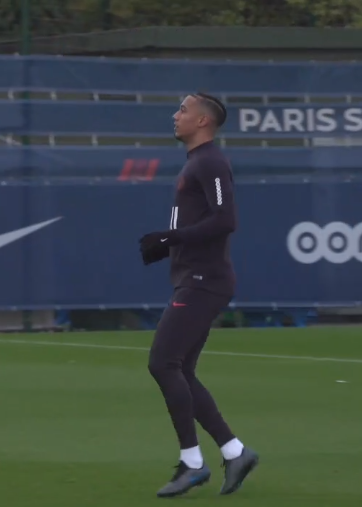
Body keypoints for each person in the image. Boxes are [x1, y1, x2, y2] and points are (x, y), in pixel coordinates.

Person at [138, 93, 259, 498]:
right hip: (196, 277)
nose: (176, 116)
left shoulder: (210, 162)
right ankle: (235, 451)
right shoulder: (197, 163)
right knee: (181, 370)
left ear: (203, 122)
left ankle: (192, 463)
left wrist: (169, 238)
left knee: (162, 363)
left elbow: (226, 220)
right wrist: (169, 246)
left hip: (206, 280)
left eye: (184, 111)